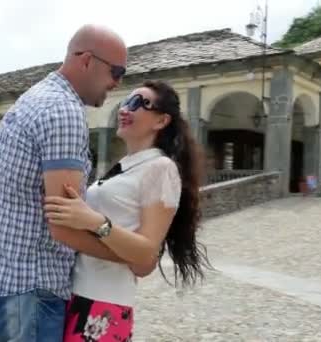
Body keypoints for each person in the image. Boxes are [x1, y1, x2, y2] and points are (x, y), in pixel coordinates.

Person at [0, 24, 133, 342]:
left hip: (2, 277)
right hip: (30, 285)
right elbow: (64, 225)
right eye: (116, 71)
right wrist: (129, 256)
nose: (117, 83)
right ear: (86, 60)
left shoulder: (37, 97)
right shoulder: (63, 112)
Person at [44, 81, 210, 341]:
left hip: (103, 304)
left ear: (161, 121)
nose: (125, 109)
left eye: (138, 103)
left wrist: (93, 220)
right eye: (125, 102)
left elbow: (146, 254)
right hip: (77, 292)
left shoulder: (161, 168)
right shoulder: (126, 165)